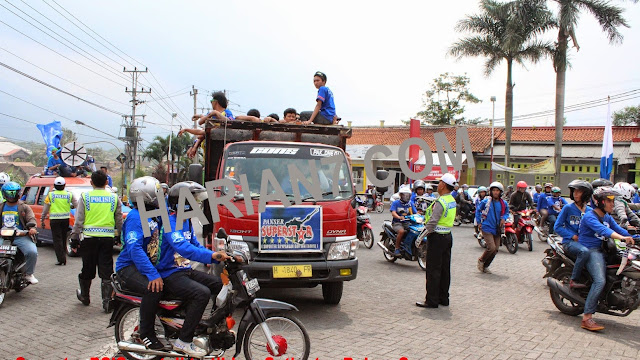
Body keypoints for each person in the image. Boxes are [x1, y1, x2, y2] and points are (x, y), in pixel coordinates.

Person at [160, 182, 231, 357]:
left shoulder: (186, 222)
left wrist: (216, 254)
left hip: (184, 270)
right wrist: (211, 257)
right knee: (201, 293)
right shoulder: (169, 221)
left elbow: (196, 245)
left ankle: (213, 328)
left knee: (219, 284)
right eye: (193, 201)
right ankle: (183, 341)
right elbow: (184, 248)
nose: (197, 205)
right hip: (168, 273)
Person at [115, 176, 171, 351]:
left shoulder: (152, 215)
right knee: (153, 288)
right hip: (128, 268)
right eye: (157, 193)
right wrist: (152, 274)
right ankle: (145, 334)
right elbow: (135, 249)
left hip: (145, 265)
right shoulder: (135, 217)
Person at [578, 186, 635, 331]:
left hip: (605, 250)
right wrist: (623, 238)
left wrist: (634, 237)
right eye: (609, 200)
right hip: (591, 250)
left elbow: (620, 230)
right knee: (600, 280)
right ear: (600, 202)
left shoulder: (607, 217)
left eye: (613, 200)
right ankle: (587, 318)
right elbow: (605, 231)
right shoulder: (589, 216)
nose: (612, 204)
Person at [71, 170, 123, 312]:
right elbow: (119, 219)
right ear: (107, 182)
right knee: (106, 271)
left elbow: (79, 219)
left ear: (91, 182)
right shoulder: (114, 197)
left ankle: (85, 296)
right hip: (107, 240)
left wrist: (74, 237)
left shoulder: (85, 197)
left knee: (87, 269)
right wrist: (120, 235)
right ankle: (107, 302)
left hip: (89, 239)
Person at [416, 173, 457, 308]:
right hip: (447, 237)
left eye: (439, 183)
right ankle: (443, 298)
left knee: (433, 269)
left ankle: (432, 300)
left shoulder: (441, 201)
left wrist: (420, 237)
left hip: (437, 238)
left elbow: (432, 223)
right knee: (445, 269)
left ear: (443, 185)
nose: (437, 185)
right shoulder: (451, 200)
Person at [554, 180, 593, 289]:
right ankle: (574, 279)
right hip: (569, 242)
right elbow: (557, 227)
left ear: (585, 194)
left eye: (579, 192)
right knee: (584, 252)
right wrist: (572, 236)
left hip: (584, 242)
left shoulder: (590, 211)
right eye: (574, 191)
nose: (575, 194)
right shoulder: (568, 208)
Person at [0, 181, 39, 284]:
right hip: (3, 237)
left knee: (32, 252)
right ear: (4, 193)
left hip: (20, 236)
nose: (11, 196)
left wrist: (32, 228)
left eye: (14, 193)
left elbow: (31, 219)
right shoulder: (1, 207)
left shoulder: (24, 207)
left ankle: (29, 274)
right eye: (9, 193)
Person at [41, 177, 77, 265]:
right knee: (63, 238)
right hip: (65, 220)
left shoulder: (50, 195)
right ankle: (63, 257)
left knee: (57, 240)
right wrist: (71, 207)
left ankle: (61, 259)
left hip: (54, 220)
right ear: (64, 185)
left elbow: (45, 209)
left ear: (54, 185)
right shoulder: (69, 194)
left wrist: (42, 218)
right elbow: (76, 205)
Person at [476, 182, 509, 274]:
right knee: (491, 247)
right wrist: (479, 222)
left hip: (497, 229)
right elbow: (478, 210)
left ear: (500, 192)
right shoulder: (486, 202)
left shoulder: (504, 203)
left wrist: (503, 218)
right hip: (486, 227)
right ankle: (481, 260)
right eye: (493, 190)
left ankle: (485, 266)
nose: (495, 192)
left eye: (497, 191)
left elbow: (506, 213)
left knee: (496, 249)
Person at [389, 186, 416, 258]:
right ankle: (397, 248)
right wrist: (399, 217)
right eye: (405, 195)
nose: (407, 197)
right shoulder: (396, 203)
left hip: (407, 222)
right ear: (401, 195)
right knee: (401, 231)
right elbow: (393, 213)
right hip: (397, 222)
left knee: (415, 231)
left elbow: (415, 213)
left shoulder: (410, 203)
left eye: (408, 195)